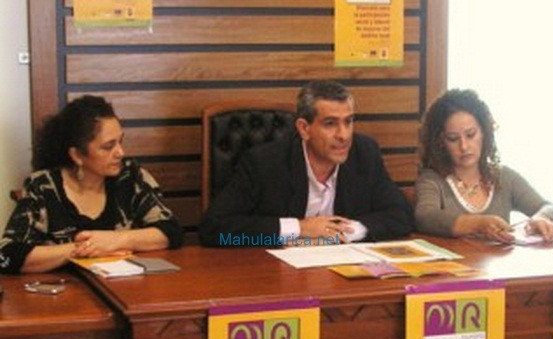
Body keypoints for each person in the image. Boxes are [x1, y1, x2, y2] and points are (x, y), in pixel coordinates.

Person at [199, 80, 413, 246]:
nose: (344, 135)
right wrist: (299, 229)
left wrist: (349, 231)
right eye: (330, 124)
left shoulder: (364, 153)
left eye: (348, 122)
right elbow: (214, 231)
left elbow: (401, 216)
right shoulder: (264, 163)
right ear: (304, 128)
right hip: (277, 277)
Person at [0, 95, 183, 274]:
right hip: (64, 289)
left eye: (120, 142)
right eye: (108, 146)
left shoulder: (130, 176)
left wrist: (116, 240)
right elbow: (7, 255)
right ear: (77, 155)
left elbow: (171, 231)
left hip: (125, 287)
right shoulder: (43, 186)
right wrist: (83, 249)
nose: (120, 152)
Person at [415, 88, 553, 243]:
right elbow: (425, 217)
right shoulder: (432, 179)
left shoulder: (504, 177)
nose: (464, 146)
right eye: (453, 138)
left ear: (484, 132)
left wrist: (541, 218)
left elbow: (549, 207)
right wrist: (478, 224)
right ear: (440, 142)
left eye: (471, 135)